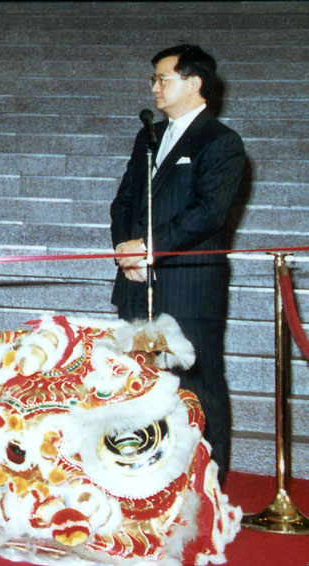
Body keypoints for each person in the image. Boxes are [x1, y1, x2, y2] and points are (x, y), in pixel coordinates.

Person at [110, 44, 244, 476]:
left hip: (188, 284)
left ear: (194, 83)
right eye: (153, 79)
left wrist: (150, 246)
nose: (154, 88)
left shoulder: (221, 142)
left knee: (197, 383)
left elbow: (209, 212)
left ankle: (210, 482)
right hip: (136, 281)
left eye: (162, 79)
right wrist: (124, 249)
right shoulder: (148, 136)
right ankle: (146, 478)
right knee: (136, 382)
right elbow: (124, 200)